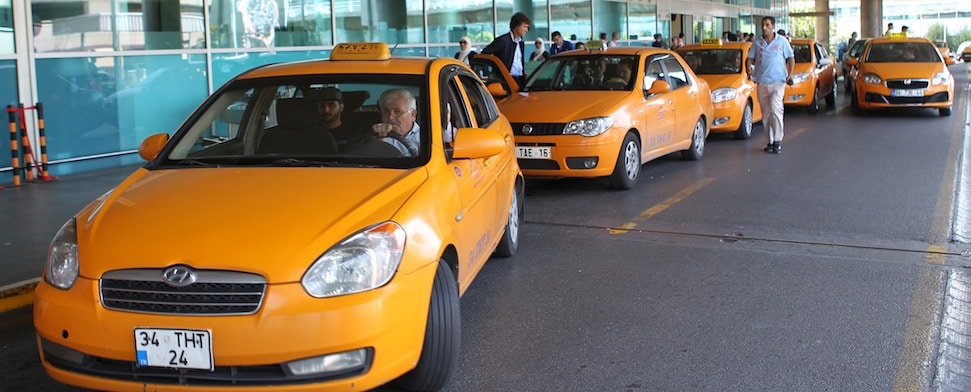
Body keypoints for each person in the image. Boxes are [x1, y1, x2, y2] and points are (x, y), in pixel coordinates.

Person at [746, 16, 794, 154]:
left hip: (778, 82)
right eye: (763, 25)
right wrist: (749, 67)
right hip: (762, 83)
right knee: (766, 114)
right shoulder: (757, 43)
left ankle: (778, 140)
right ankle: (770, 141)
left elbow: (790, 58)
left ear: (773, 26)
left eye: (767, 25)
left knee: (775, 109)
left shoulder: (782, 41)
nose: (764, 27)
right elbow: (750, 58)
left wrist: (789, 75)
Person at [482, 12, 531, 87]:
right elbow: (484, 54)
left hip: (519, 80)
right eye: (524, 27)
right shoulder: (503, 41)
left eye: (527, 27)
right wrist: (489, 72)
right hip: (504, 81)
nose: (526, 30)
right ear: (516, 26)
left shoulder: (521, 43)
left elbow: (519, 62)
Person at [371, 89, 420, 157]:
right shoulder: (374, 135)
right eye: (386, 111)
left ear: (412, 114)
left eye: (397, 112)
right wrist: (376, 139)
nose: (390, 117)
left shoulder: (428, 138)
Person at [317, 87, 364, 152]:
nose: (326, 110)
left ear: (341, 107)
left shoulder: (354, 133)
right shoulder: (311, 132)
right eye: (322, 105)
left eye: (332, 105)